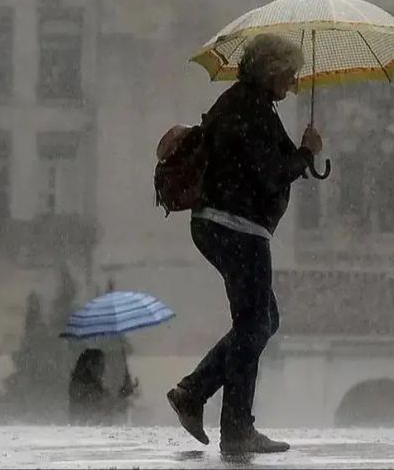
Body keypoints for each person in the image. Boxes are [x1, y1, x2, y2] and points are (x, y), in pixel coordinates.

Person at [166, 34, 323, 454]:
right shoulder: (249, 109)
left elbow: (277, 163)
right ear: (271, 70)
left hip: (226, 226)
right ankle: (231, 425)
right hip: (236, 227)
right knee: (255, 324)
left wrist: (304, 155)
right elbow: (271, 173)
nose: (293, 83)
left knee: (262, 320)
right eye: (289, 73)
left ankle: (198, 395)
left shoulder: (250, 105)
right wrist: (305, 153)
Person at [68, 349, 137, 426]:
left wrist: (123, 394)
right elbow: (102, 406)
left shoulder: (93, 386)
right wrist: (123, 395)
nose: (103, 368)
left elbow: (107, 403)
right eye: (100, 364)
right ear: (89, 365)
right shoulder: (82, 386)